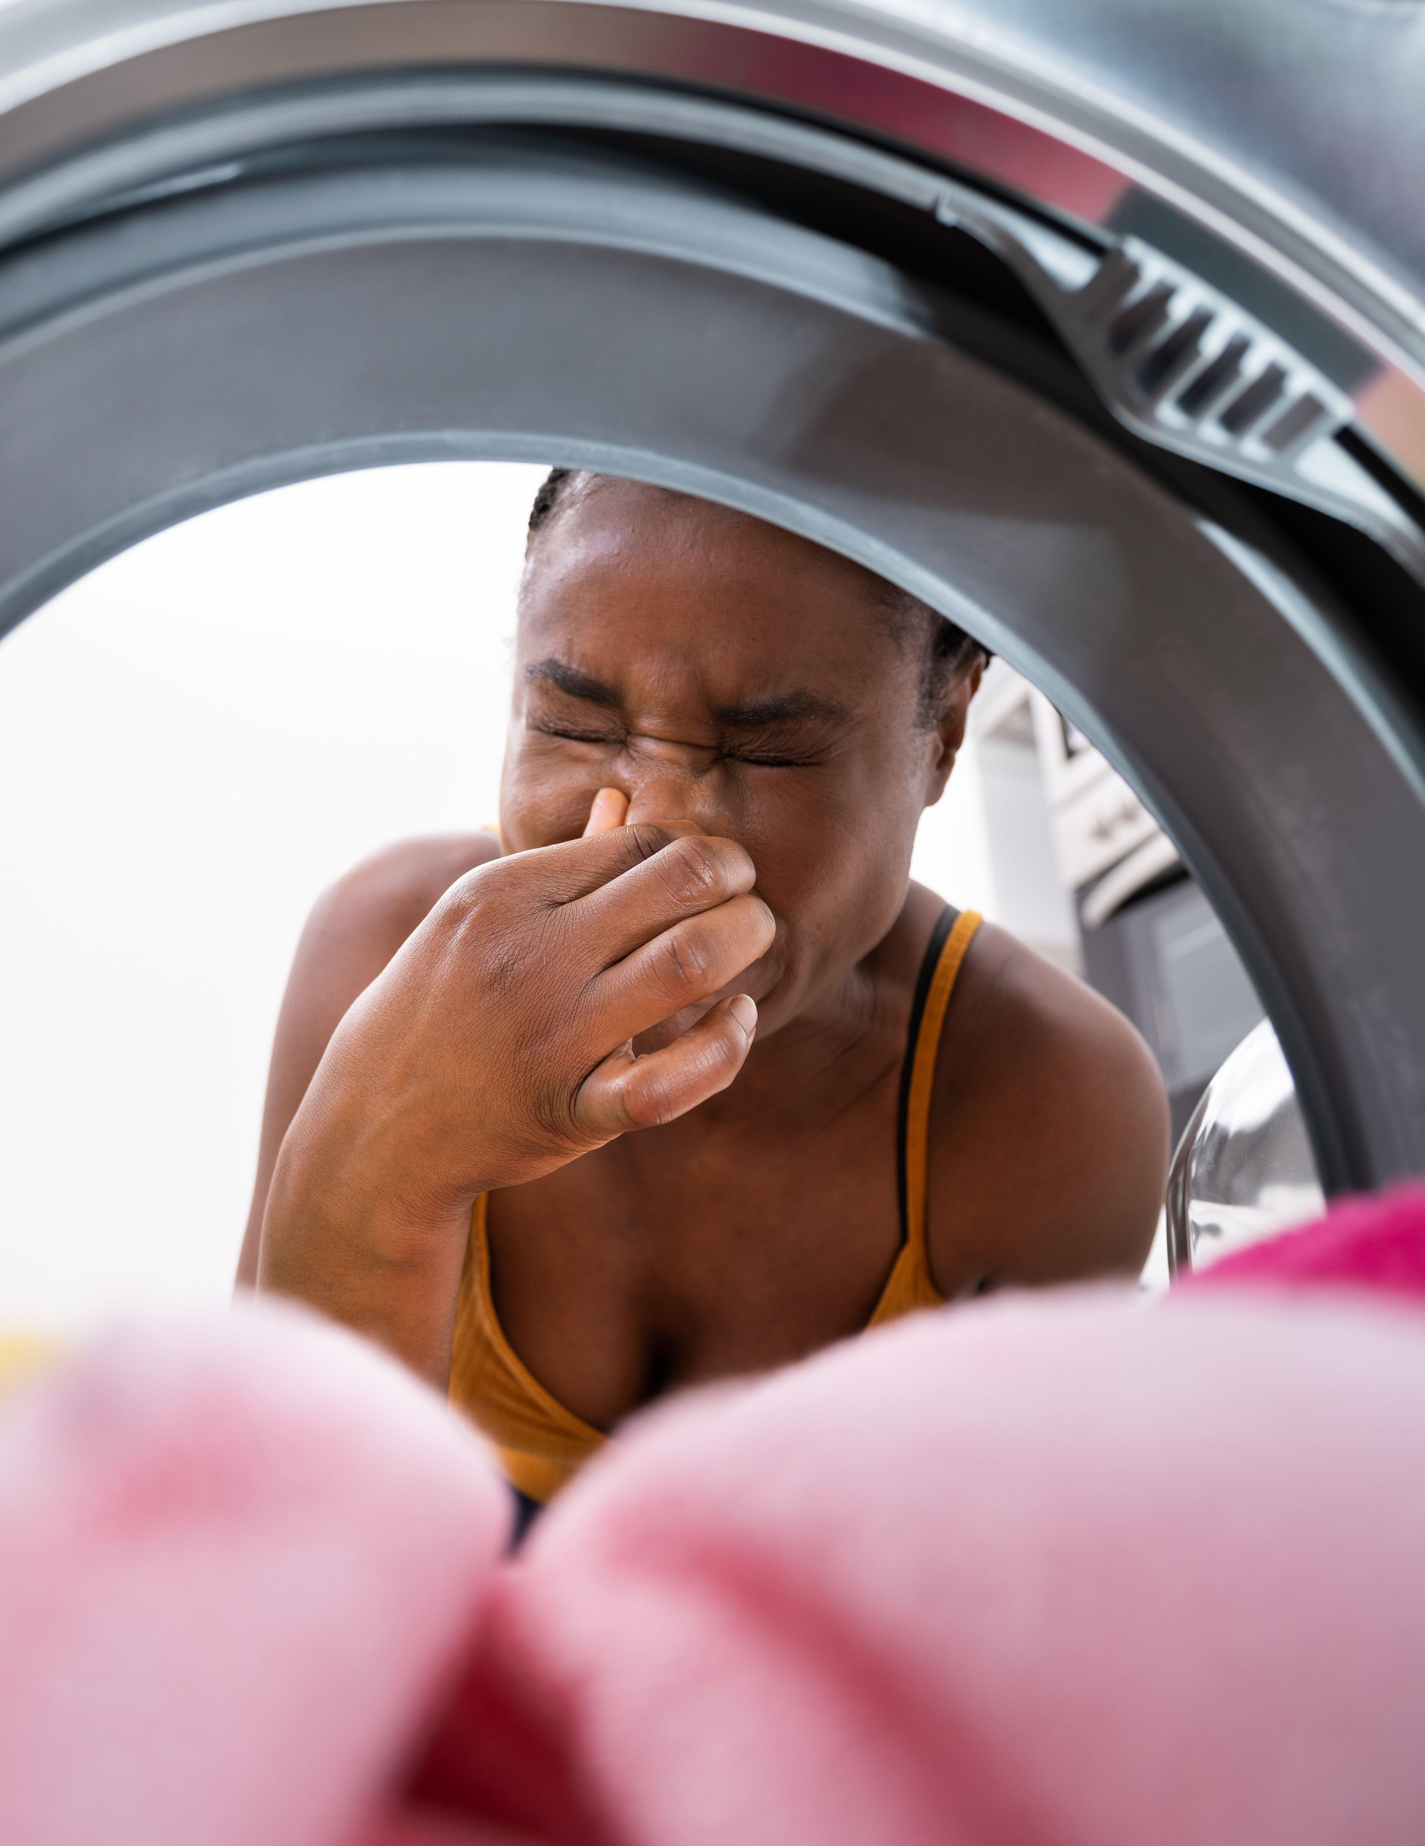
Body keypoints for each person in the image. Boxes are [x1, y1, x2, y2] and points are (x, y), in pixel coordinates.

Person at [236, 471, 1170, 1512]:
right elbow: (265, 1560)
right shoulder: (387, 953)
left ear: (944, 732)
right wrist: (386, 1168)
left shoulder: (1050, 1104)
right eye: (575, 724)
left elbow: (986, 1627)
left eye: (763, 749)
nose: (657, 831)